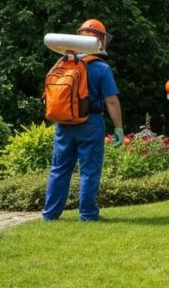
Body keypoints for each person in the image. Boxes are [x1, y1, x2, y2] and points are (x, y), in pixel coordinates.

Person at [43, 19, 124, 222]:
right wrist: (119, 128)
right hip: (90, 123)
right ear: (101, 40)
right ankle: (87, 214)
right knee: (89, 170)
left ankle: (50, 214)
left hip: (63, 123)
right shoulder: (101, 68)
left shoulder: (64, 62)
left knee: (59, 169)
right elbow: (112, 101)